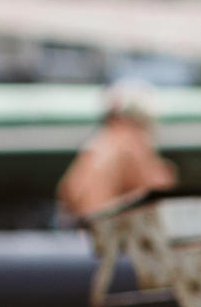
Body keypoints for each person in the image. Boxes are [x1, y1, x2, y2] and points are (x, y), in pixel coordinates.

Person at [56, 80, 179, 220]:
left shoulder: (94, 148)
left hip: (93, 232)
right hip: (110, 232)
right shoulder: (128, 141)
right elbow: (159, 189)